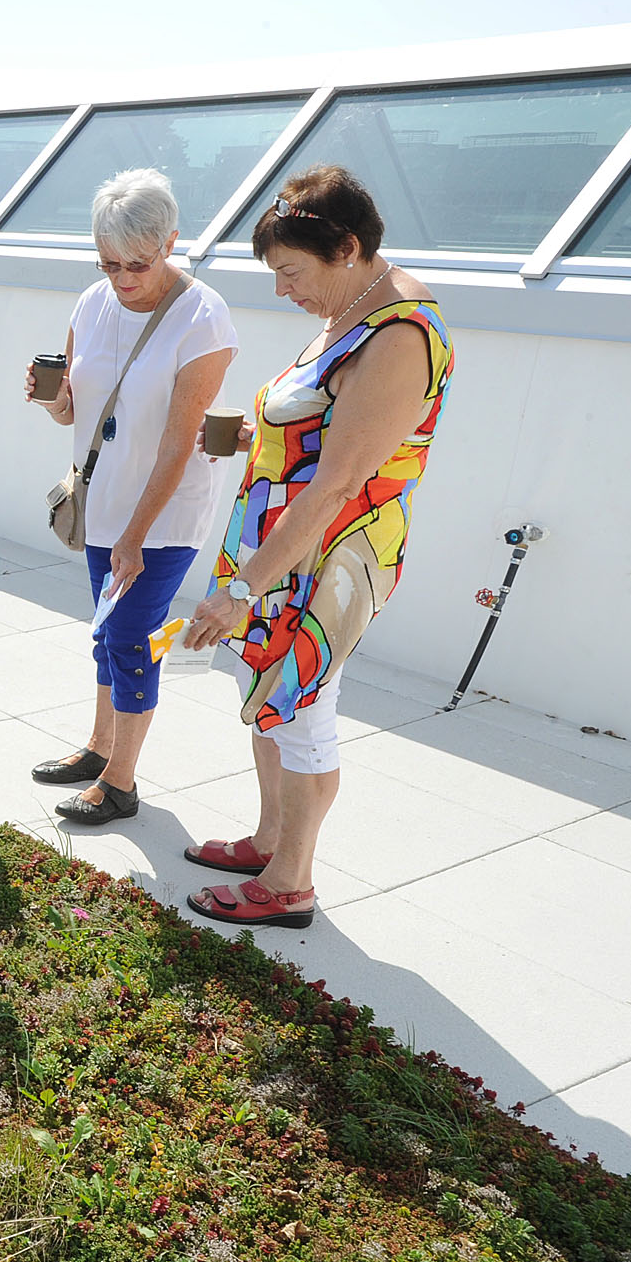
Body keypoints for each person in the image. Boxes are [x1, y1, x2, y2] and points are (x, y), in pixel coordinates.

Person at [180, 164, 454, 929]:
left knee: (302, 706)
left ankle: (290, 882)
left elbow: (338, 485)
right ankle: (271, 842)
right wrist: (253, 434)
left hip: (326, 559)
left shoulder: (399, 335)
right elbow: (320, 429)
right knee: (268, 697)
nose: (282, 291)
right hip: (280, 550)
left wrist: (244, 589)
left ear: (347, 248)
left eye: (291, 272)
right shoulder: (353, 310)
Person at [25, 168, 238, 825]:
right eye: (109, 263)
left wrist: (134, 537)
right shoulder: (91, 303)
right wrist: (53, 400)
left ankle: (120, 783)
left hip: (162, 517)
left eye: (137, 265)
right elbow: (76, 411)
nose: (122, 279)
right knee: (108, 636)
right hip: (101, 505)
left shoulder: (203, 318)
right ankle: (99, 746)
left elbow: (180, 446)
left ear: (172, 242)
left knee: (133, 640)